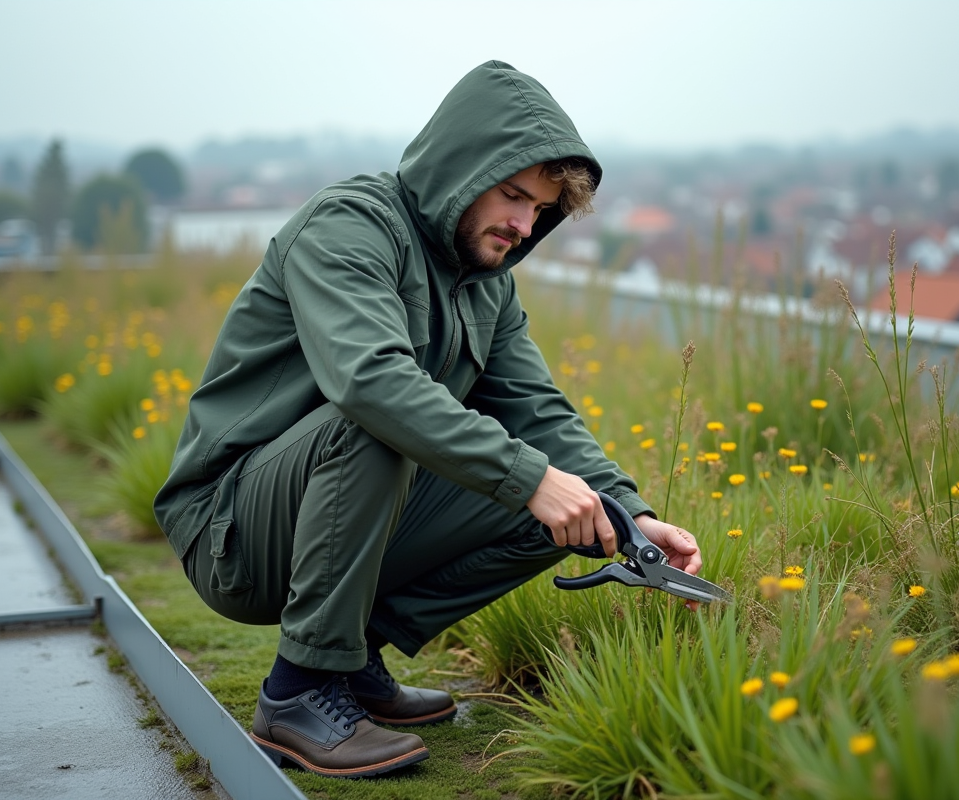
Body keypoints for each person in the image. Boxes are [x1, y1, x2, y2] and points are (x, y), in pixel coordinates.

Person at [154, 60, 704, 778]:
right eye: (512, 195)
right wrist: (528, 477)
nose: (522, 223)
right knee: (383, 417)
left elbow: (539, 414)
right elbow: (371, 382)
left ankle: (350, 662)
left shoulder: (488, 287)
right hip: (231, 529)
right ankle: (299, 691)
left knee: (571, 506)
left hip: (332, 514)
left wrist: (630, 517)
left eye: (538, 209)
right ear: (460, 167)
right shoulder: (349, 225)